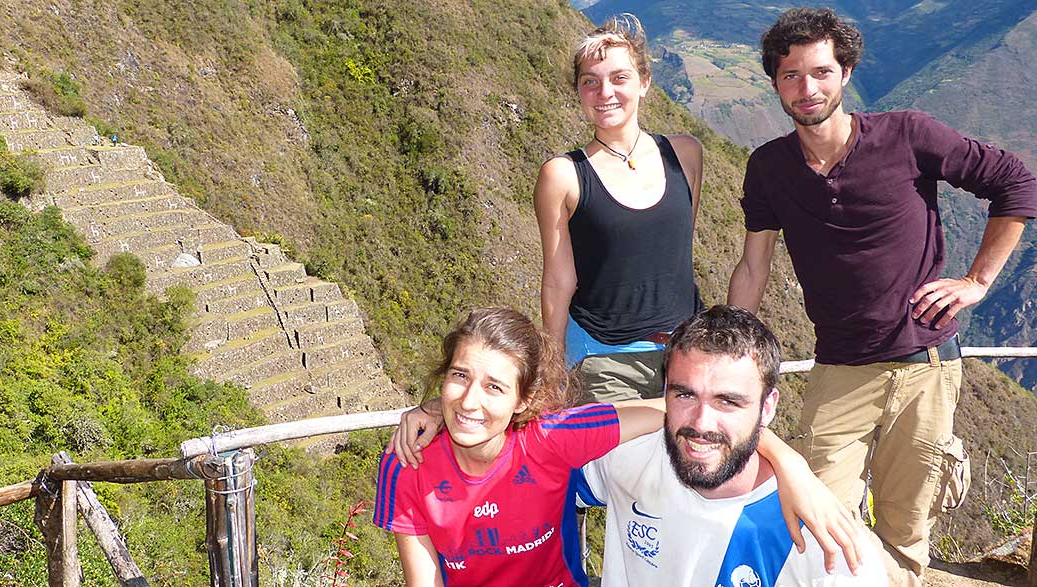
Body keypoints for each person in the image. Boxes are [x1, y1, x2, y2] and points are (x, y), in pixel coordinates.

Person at [726, 8, 1037, 585]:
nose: (807, 87)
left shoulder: (907, 135)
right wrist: (726, 357)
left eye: (820, 72)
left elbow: (1016, 182)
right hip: (839, 367)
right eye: (791, 75)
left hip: (926, 367)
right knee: (815, 526)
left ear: (845, 73)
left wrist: (977, 282)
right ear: (774, 82)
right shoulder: (768, 167)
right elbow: (753, 264)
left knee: (905, 528)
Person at [376, 307, 863, 587]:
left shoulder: (553, 442)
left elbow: (675, 413)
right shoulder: (407, 463)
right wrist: (440, 409)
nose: (471, 398)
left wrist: (789, 462)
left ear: (525, 399)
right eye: (459, 377)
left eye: (495, 387)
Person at [575, 305, 887, 586]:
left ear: (767, 408)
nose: (701, 423)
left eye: (727, 402)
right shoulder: (630, 456)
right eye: (685, 394)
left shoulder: (828, 547)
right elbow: (538, 457)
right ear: (665, 392)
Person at [535, 14, 704, 402]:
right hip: (604, 361)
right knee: (623, 461)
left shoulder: (686, 155)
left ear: (644, 83)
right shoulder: (563, 176)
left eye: (619, 78)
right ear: (578, 91)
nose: (604, 91)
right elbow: (559, 281)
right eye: (590, 82)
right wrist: (551, 372)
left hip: (688, 357)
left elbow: (674, 254)